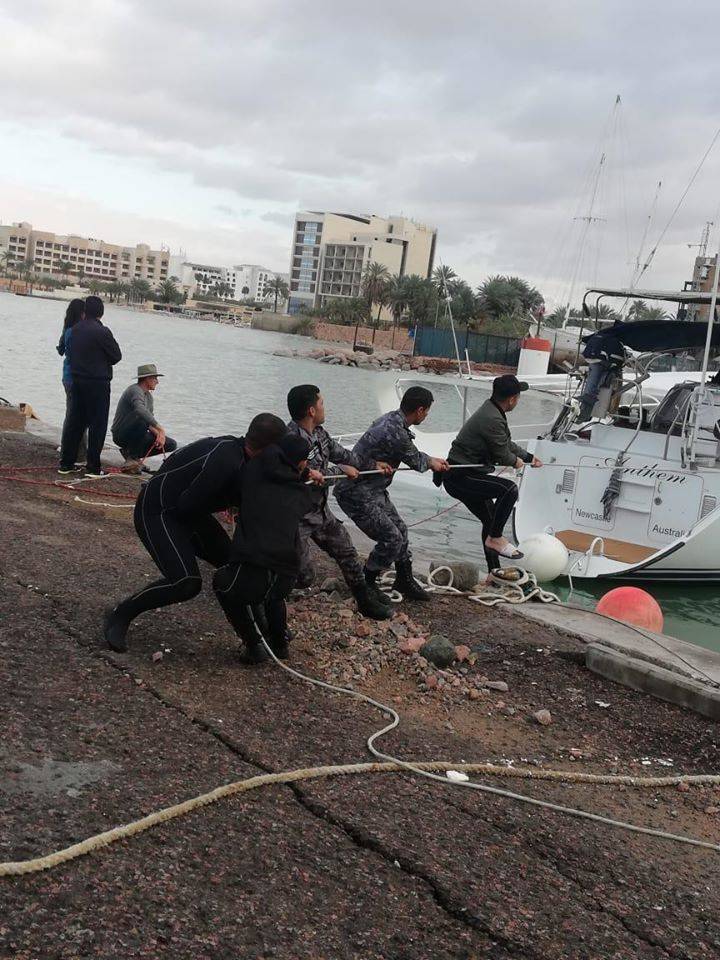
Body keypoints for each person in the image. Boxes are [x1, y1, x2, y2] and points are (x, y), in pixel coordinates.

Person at [103, 413, 287, 652]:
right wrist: (235, 499)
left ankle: (257, 638)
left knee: (236, 568)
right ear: (267, 448)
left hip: (189, 513)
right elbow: (189, 504)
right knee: (186, 583)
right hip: (158, 511)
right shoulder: (226, 459)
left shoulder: (243, 455)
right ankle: (120, 613)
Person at [286, 384, 392, 620]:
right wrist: (341, 471)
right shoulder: (291, 440)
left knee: (348, 552)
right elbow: (312, 478)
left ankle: (364, 601)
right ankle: (269, 589)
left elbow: (345, 455)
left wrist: (373, 465)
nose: (325, 407)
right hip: (296, 518)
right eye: (322, 403)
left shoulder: (320, 434)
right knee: (304, 577)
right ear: (311, 410)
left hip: (321, 513)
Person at [334, 386, 449, 601]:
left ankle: (404, 579)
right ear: (420, 410)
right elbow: (416, 461)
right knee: (391, 537)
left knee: (401, 531)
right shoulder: (394, 430)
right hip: (355, 492)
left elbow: (412, 453)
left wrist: (432, 460)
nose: (426, 415)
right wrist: (432, 463)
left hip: (373, 489)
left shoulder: (394, 421)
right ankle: (367, 581)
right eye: (427, 411)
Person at [213, 434, 317, 665]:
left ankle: (254, 645)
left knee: (223, 584)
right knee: (275, 597)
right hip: (286, 571)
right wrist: (305, 476)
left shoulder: (253, 471)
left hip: (256, 565)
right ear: (299, 463)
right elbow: (301, 498)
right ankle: (279, 644)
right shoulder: (300, 492)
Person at [442, 375, 542, 561]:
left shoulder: (493, 410)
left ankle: (493, 572)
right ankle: (496, 538)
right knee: (509, 490)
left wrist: (528, 457)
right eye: (518, 397)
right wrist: (515, 461)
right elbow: (502, 454)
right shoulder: (492, 418)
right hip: (459, 476)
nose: (518, 400)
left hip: (467, 474)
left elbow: (506, 444)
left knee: (490, 520)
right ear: (512, 399)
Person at [58, 295, 121, 477]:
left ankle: (66, 463)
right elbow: (116, 356)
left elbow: (68, 352)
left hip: (77, 380)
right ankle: (93, 466)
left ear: (85, 311)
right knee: (97, 424)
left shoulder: (74, 330)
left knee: (75, 422)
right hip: (98, 382)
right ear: (101, 312)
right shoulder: (103, 332)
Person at [111, 363, 177, 467]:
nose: (157, 382)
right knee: (142, 420)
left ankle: (132, 455)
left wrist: (159, 435)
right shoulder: (134, 390)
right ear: (147, 379)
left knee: (171, 444)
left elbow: (149, 421)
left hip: (137, 432)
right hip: (121, 434)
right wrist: (160, 428)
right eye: (155, 378)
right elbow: (140, 410)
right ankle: (132, 457)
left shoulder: (149, 397)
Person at [56, 299, 87, 463]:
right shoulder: (77, 331)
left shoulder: (67, 329)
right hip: (75, 378)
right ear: (81, 313)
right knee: (76, 416)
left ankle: (70, 450)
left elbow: (61, 350)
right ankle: (74, 453)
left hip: (67, 376)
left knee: (72, 414)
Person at [577, 327, 626, 422]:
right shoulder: (614, 339)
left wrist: (583, 340)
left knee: (593, 381)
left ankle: (585, 410)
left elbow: (586, 339)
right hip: (603, 361)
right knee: (595, 382)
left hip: (591, 358)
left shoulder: (600, 335)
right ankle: (586, 411)